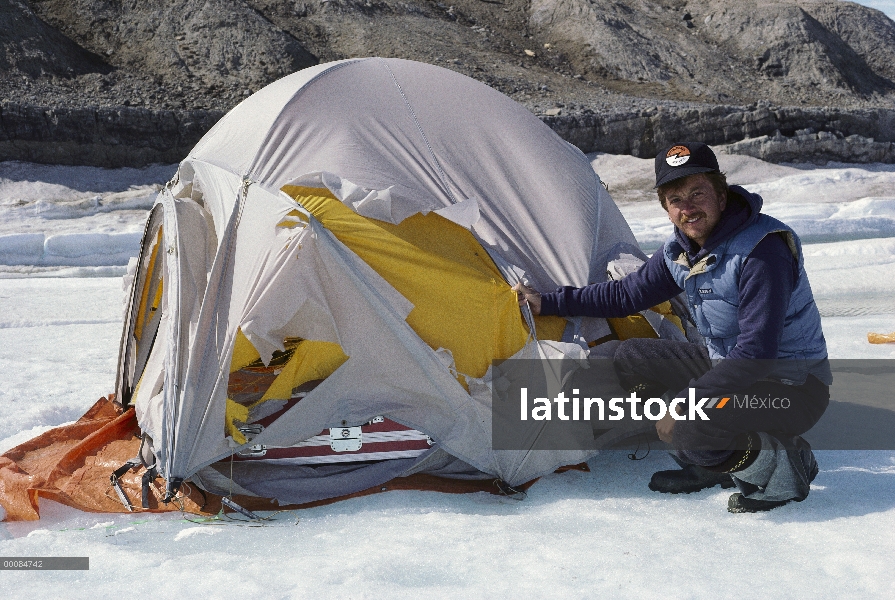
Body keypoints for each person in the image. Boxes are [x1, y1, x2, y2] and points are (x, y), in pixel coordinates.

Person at [514, 142, 831, 513]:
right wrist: (549, 302)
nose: (688, 207)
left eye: (698, 193)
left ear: (722, 195)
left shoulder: (762, 251)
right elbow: (625, 295)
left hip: (790, 386)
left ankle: (782, 466)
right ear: (666, 209)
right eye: (676, 198)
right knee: (630, 355)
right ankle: (709, 460)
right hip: (727, 367)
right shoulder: (682, 252)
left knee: (690, 426)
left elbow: (756, 356)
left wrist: (684, 403)